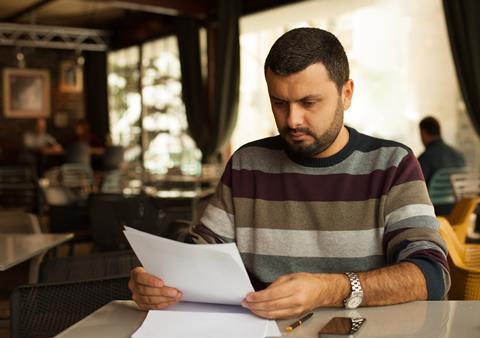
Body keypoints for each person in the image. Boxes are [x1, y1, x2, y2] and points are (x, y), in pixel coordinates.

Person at [129, 28, 450, 319]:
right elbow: (201, 252)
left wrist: (331, 289)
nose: (292, 119)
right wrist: (159, 279)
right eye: (280, 102)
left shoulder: (392, 164)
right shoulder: (247, 164)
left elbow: (431, 274)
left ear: (347, 93)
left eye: (309, 102)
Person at [417, 116, 465, 186]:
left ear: (423, 133)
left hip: (431, 197)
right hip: (454, 197)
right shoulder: (459, 155)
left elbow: (416, 186)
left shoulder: (425, 158)